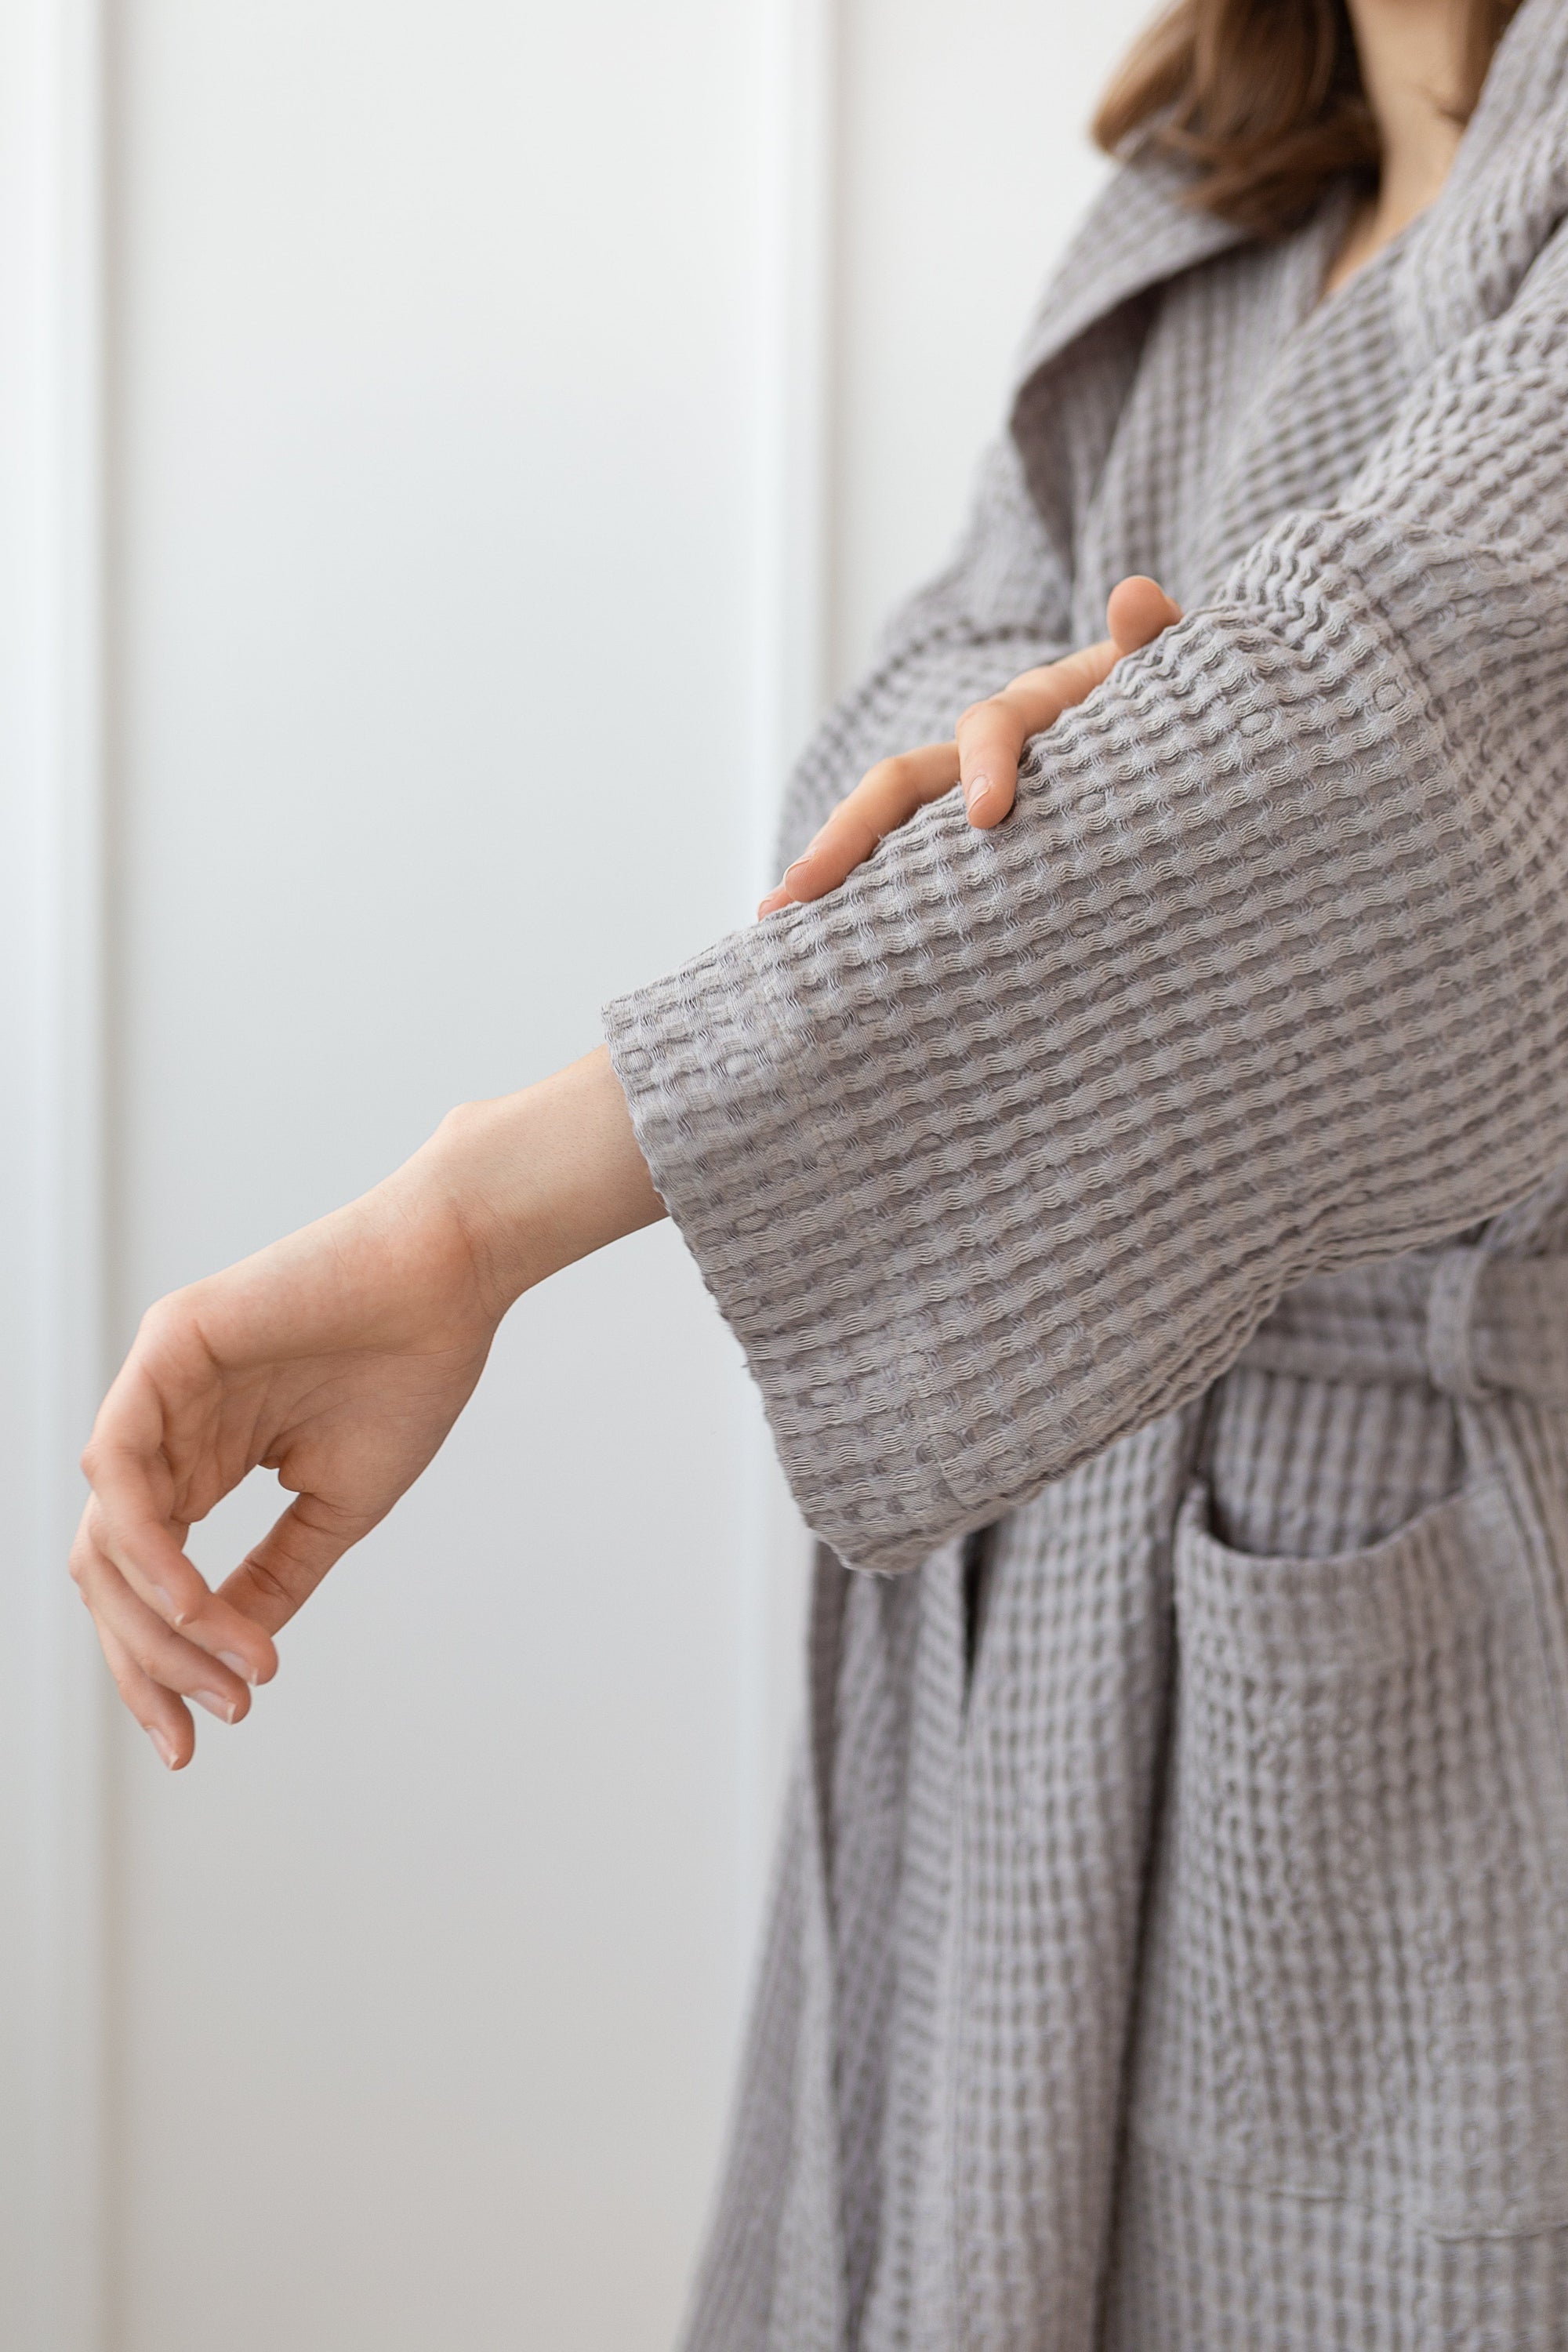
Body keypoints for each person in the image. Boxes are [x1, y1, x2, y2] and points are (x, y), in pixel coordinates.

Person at [71, 0, 1568, 2337]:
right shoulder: (1200, 215)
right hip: (1025, 1641)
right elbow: (874, 779)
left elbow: (1396, 761)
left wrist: (483, 1208)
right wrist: (1108, 773)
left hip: (1418, 1653)